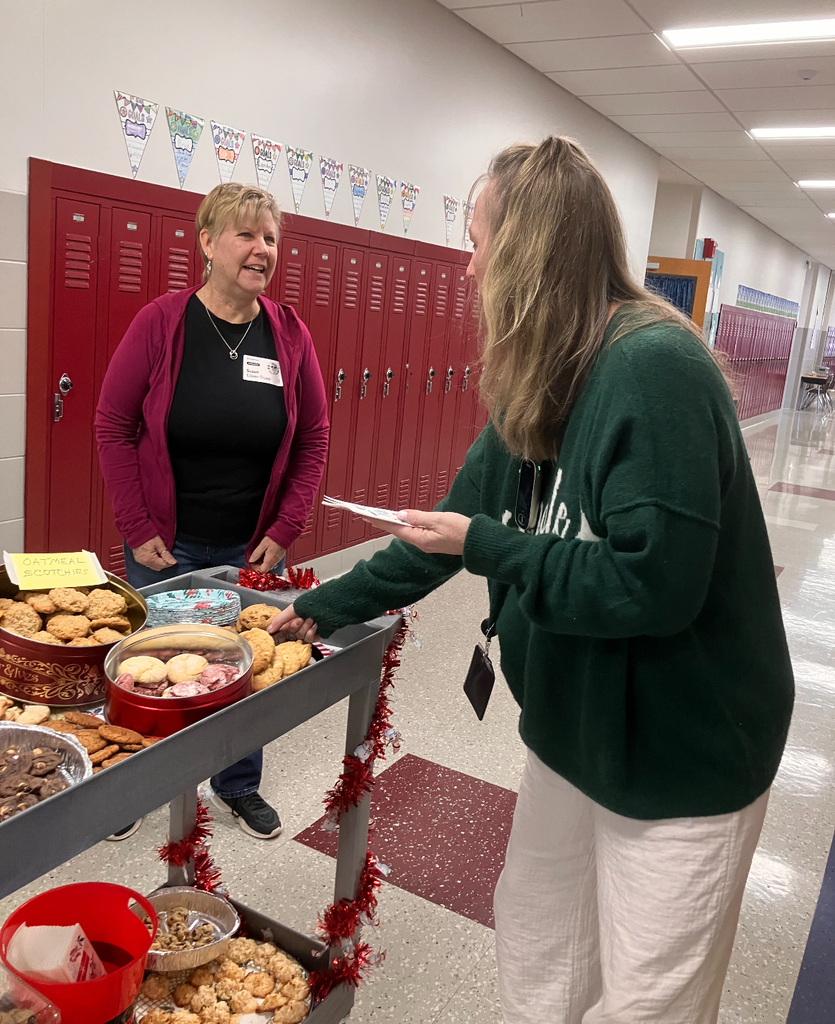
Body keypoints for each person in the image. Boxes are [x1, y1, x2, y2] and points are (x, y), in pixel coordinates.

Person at [268, 138, 794, 1023]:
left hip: (681, 752)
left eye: (479, 242)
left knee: (647, 1001)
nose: (468, 267)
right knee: (540, 956)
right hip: (572, 733)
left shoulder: (651, 368)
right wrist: (309, 611)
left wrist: (492, 548)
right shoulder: (540, 376)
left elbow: (651, 586)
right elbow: (439, 535)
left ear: (529, 252)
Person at [96, 182, 328, 841]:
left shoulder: (288, 334)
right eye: (247, 235)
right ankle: (130, 783)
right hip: (164, 548)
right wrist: (136, 526)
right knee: (149, 668)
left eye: (271, 238)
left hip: (246, 548)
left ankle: (237, 785)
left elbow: (313, 437)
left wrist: (285, 529)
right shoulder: (162, 324)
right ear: (206, 242)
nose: (262, 250)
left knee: (242, 666)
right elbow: (113, 425)